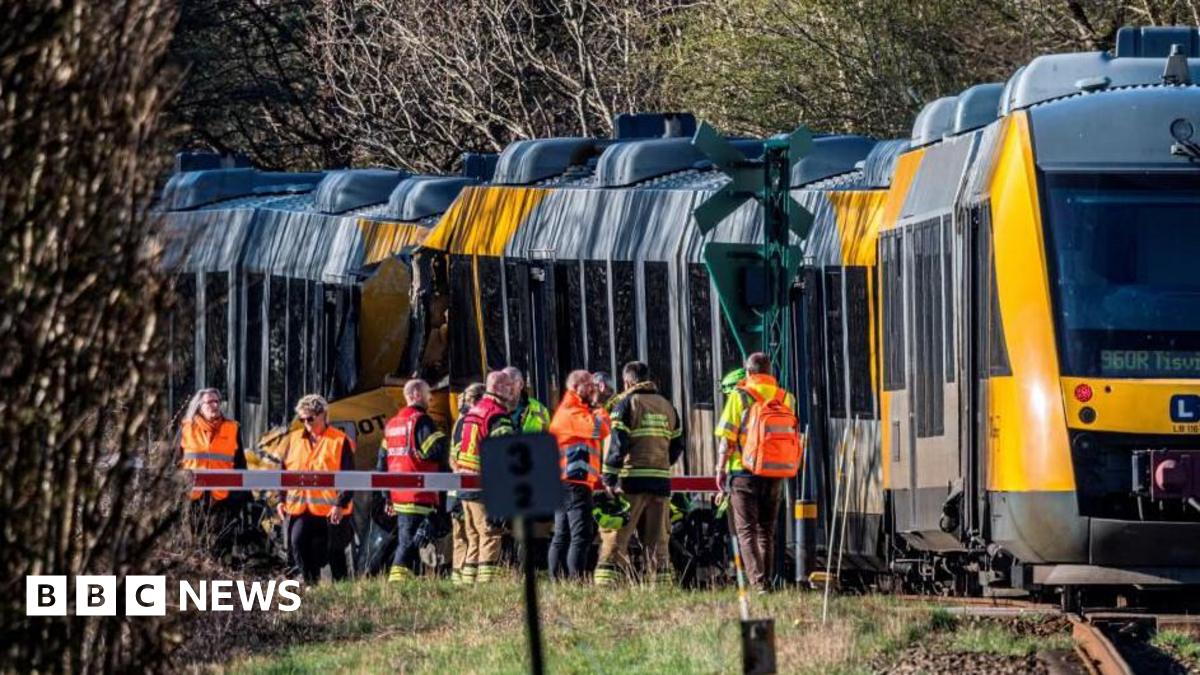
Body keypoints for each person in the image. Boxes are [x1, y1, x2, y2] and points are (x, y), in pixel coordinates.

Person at [715, 352, 798, 593]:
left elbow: (727, 438)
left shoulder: (739, 395)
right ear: (770, 372)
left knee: (746, 531)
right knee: (766, 531)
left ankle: (759, 582)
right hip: (775, 472)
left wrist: (720, 469)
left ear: (749, 372)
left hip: (743, 471)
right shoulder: (786, 397)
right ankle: (766, 581)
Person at [595, 361, 683, 586]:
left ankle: (607, 583)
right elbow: (677, 445)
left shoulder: (626, 404)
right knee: (658, 539)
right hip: (660, 482)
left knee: (617, 535)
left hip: (631, 481)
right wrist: (662, 464)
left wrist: (609, 477)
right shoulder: (667, 406)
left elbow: (618, 444)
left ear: (627, 382)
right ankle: (660, 584)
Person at [276, 394, 356, 584]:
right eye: (302, 419)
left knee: (334, 553)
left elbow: (349, 477)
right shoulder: (292, 439)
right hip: (300, 508)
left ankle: (343, 591)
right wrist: (280, 499)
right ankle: (310, 584)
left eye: (310, 418)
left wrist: (340, 504)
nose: (306, 423)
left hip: (331, 509)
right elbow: (283, 473)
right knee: (297, 543)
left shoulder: (339, 441)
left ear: (323, 415)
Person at [378, 379, 448, 582]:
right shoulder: (421, 421)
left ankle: (411, 581)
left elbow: (381, 464)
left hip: (399, 495)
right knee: (409, 544)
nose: (430, 398)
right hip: (419, 493)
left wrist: (387, 496)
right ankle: (397, 583)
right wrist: (443, 436)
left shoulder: (392, 424)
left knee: (412, 541)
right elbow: (434, 450)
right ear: (417, 394)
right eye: (428, 394)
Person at [547, 370, 609, 581]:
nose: (593, 388)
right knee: (580, 535)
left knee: (562, 535)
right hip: (574, 483)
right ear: (576, 387)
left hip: (566, 482)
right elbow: (600, 430)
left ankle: (559, 580)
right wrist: (599, 407)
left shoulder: (573, 411)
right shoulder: (571, 412)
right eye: (589, 384)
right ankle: (576, 581)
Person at [454, 371, 515, 583]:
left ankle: (468, 583)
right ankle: (486, 585)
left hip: (465, 483)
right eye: (508, 387)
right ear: (497, 388)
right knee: (490, 534)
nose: (512, 391)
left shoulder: (474, 411)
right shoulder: (497, 415)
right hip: (483, 485)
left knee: (473, 536)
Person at [178, 388, 246, 558]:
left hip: (222, 498)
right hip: (192, 497)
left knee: (220, 548)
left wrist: (237, 497)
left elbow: (240, 465)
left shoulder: (232, 428)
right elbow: (174, 462)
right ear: (199, 406)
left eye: (217, 401)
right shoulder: (186, 428)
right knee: (192, 547)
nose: (215, 405)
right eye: (210, 402)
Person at [449, 383, 486, 584]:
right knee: (473, 534)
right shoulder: (472, 421)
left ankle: (459, 579)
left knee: (462, 536)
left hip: (457, 488)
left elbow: (453, 457)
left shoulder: (459, 422)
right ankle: (468, 579)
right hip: (467, 486)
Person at [503, 366, 549, 432]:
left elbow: (547, 433)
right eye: (503, 384)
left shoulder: (538, 408)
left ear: (521, 384)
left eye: (511, 383)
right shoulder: (492, 409)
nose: (507, 388)